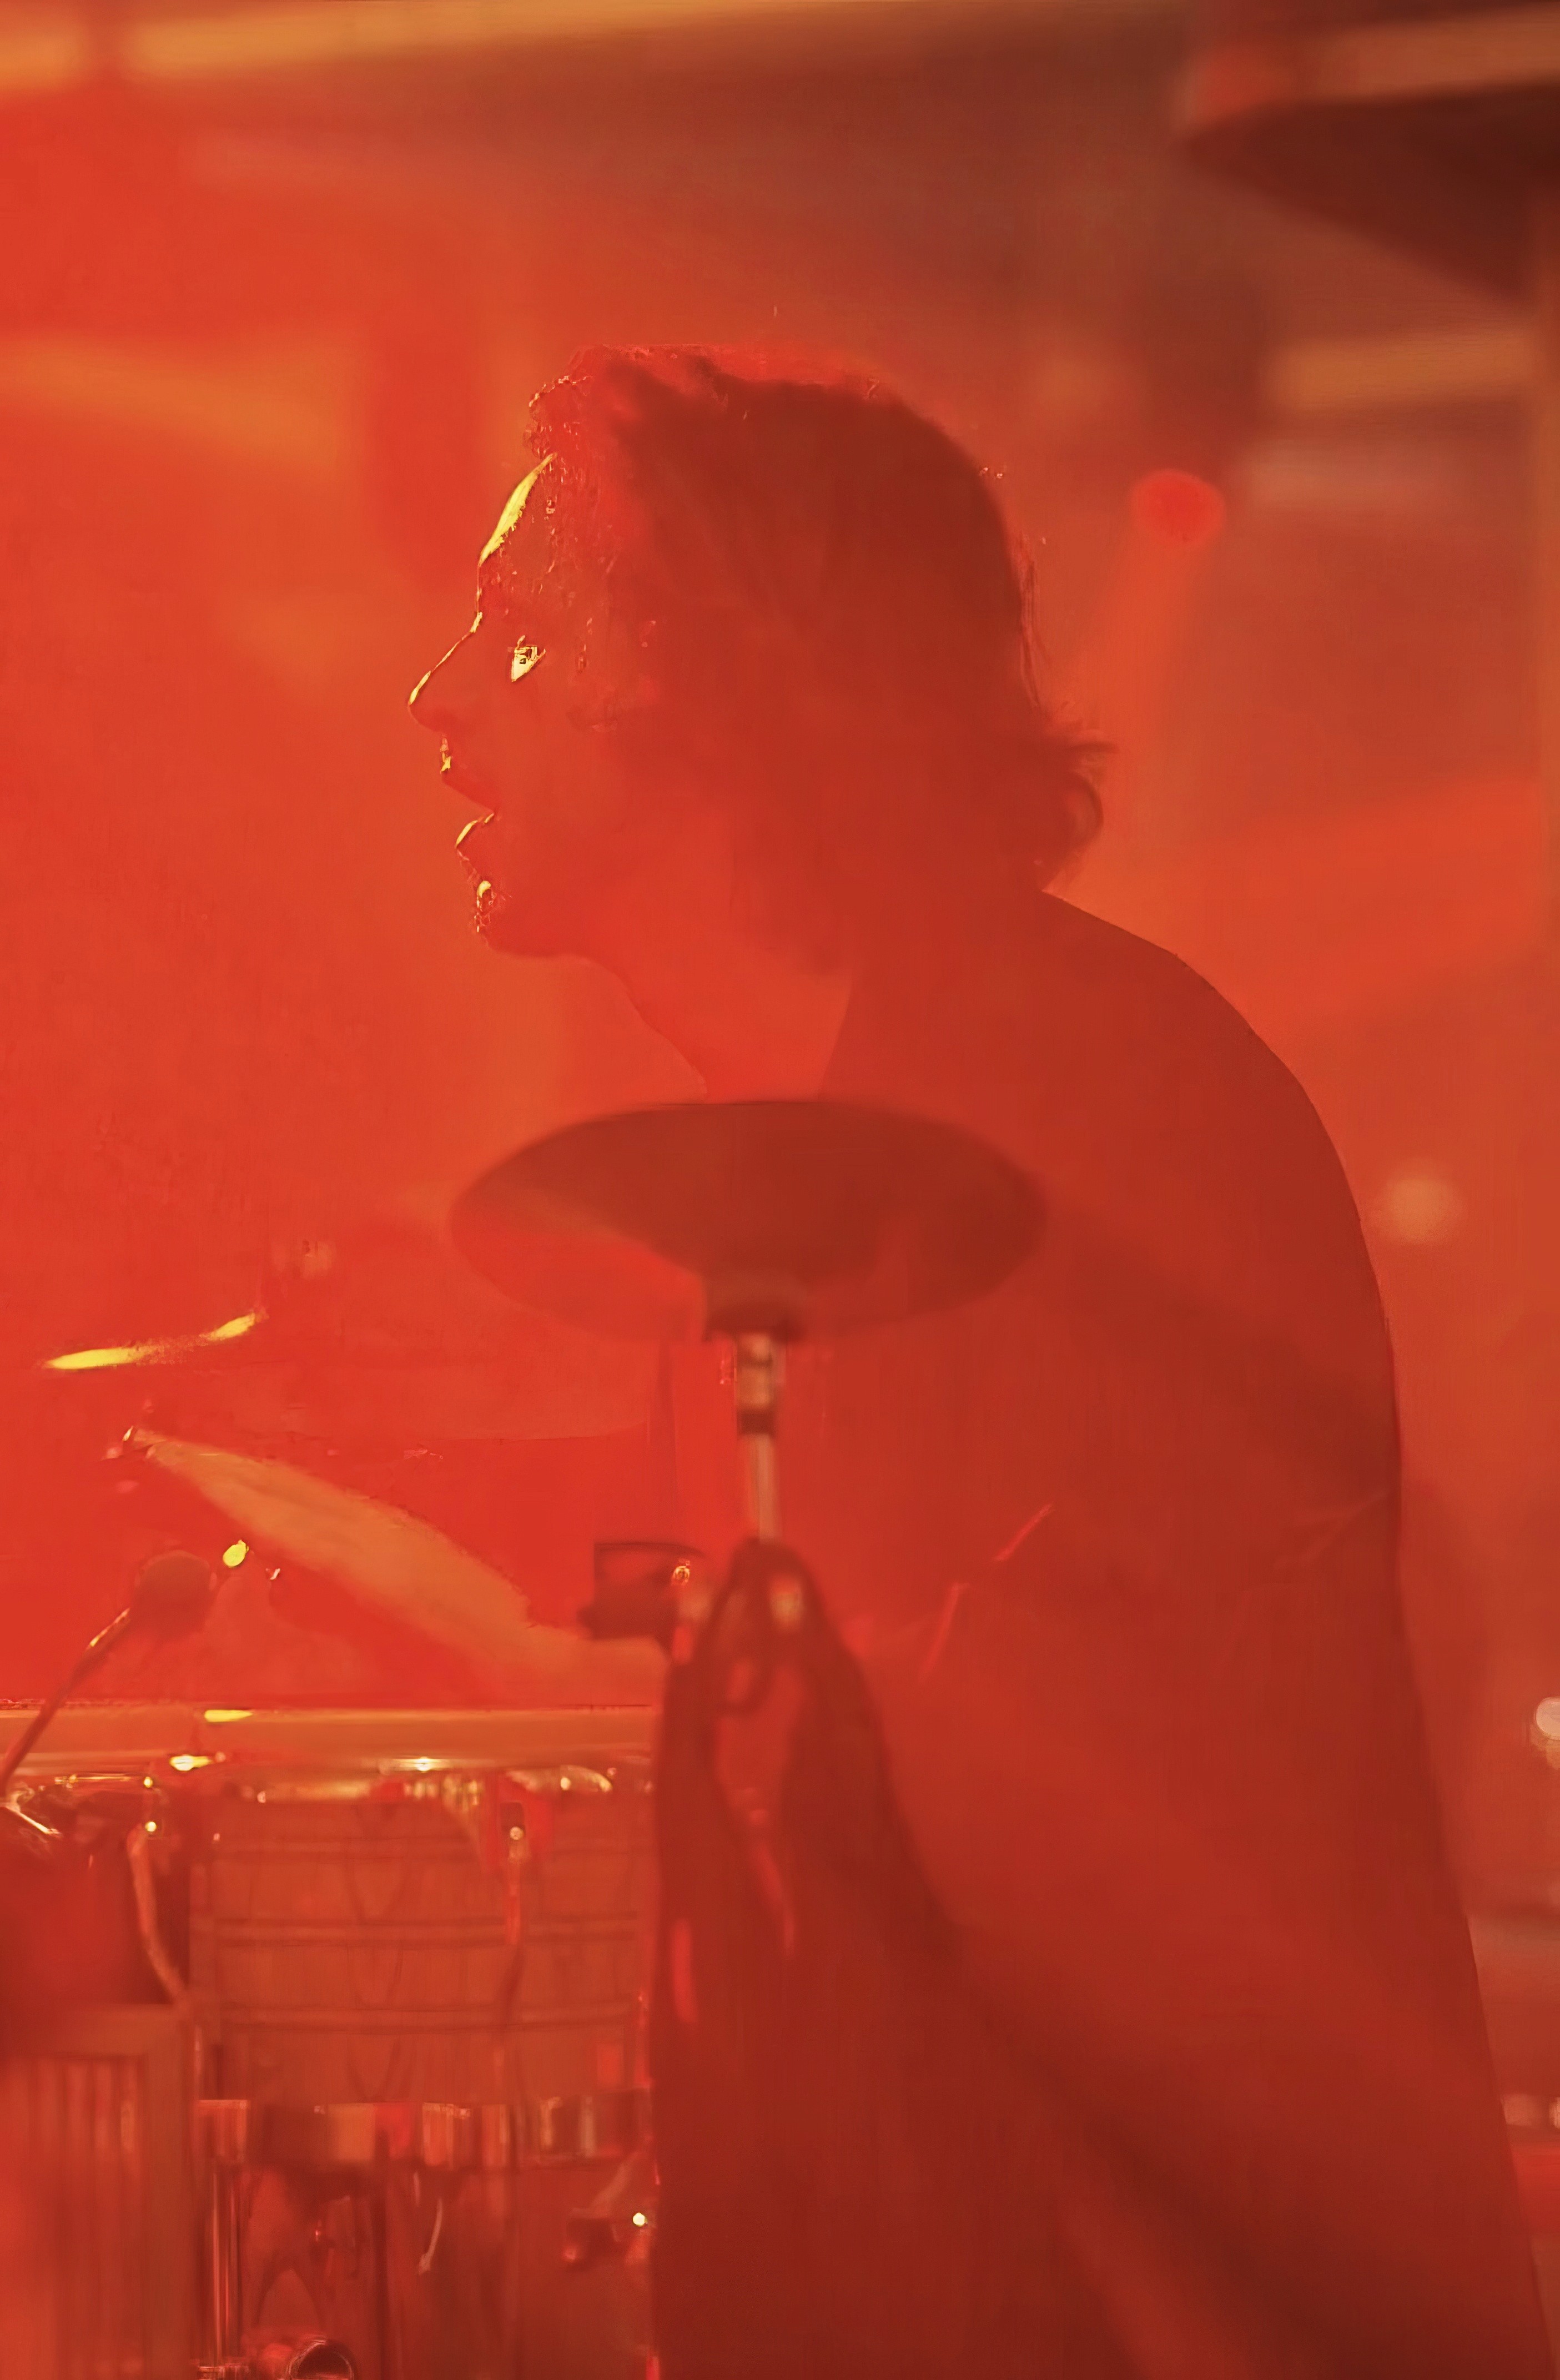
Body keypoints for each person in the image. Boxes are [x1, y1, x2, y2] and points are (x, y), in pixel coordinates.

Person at [410, 347, 1549, 2376]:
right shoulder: (769, 1182)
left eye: (512, 623)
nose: (437, 694)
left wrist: (633, 1693)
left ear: (712, 673)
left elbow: (1144, 1749)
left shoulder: (1106, 1103)